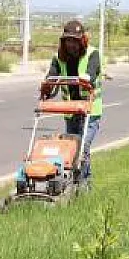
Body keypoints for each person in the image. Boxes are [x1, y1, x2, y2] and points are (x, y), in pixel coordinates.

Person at [43, 19, 103, 183]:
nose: (72, 45)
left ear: (82, 40)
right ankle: (74, 182)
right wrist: (47, 88)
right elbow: (52, 76)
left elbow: (92, 72)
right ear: (64, 41)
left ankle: (82, 183)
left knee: (81, 148)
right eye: (68, 40)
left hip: (90, 112)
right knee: (70, 148)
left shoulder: (93, 54)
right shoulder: (58, 58)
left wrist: (87, 78)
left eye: (75, 41)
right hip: (71, 112)